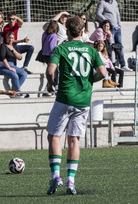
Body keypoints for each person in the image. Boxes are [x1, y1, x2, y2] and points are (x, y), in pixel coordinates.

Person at [45, 16, 106, 195]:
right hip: (83, 101)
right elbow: (103, 72)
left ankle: (56, 176)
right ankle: (71, 181)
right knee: (74, 139)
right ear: (82, 31)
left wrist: (50, 84)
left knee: (54, 137)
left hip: (64, 98)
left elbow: (50, 70)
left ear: (66, 29)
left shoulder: (61, 48)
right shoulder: (91, 50)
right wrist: (89, 80)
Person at [96, 0, 129, 71]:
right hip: (110, 29)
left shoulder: (115, 2)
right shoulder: (102, 2)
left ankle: (123, 65)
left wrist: (119, 24)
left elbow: (117, 14)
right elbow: (98, 14)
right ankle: (112, 65)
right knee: (112, 47)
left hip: (117, 28)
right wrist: (107, 22)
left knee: (120, 46)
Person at [0, 32, 28, 98]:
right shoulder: (3, 45)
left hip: (11, 64)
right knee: (14, 74)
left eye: (12, 38)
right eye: (9, 38)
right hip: (1, 65)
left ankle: (14, 91)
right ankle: (19, 91)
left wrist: (13, 50)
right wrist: (9, 68)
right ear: (6, 38)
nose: (10, 39)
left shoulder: (14, 46)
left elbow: (20, 57)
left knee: (24, 74)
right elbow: (2, 58)